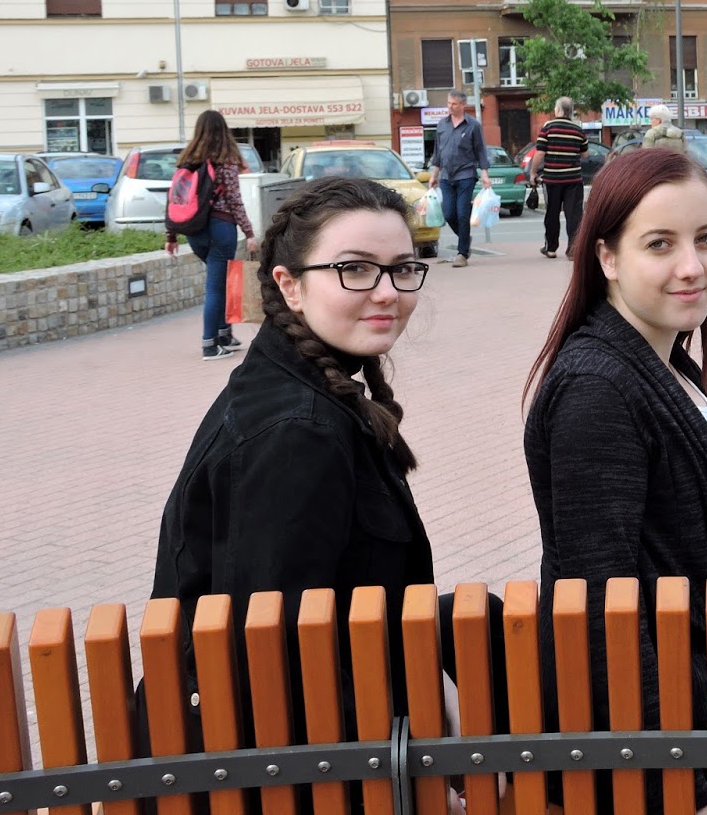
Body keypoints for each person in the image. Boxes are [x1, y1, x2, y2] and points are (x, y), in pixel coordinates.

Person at [151, 178, 500, 762]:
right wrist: (402, 771)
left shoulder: (301, 388)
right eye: (354, 269)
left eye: (401, 268)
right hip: (277, 772)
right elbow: (273, 661)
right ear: (289, 285)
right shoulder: (296, 434)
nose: (387, 292)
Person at [523, 149, 707, 812]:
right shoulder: (597, 389)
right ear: (606, 257)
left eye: (706, 238)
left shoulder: (662, 361)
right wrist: (676, 779)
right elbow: (601, 604)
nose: (693, 266)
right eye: (660, 244)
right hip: (673, 715)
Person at [165, 110, 259, 360]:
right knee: (217, 287)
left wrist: (171, 236)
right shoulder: (225, 161)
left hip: (194, 231)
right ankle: (209, 344)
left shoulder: (188, 162)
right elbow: (234, 200)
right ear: (223, 131)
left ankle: (224, 334)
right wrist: (249, 232)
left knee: (221, 281)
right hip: (221, 228)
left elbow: (175, 198)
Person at [427, 89, 491, 268]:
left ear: (463, 105)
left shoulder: (473, 125)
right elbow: (438, 153)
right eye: (448, 103)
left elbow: (481, 151)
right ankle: (465, 238)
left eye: (454, 104)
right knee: (448, 214)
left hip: (466, 175)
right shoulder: (442, 124)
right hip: (446, 176)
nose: (450, 107)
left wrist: (484, 173)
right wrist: (434, 175)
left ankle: (462, 253)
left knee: (463, 214)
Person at [529, 96, 589, 259]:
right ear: (571, 111)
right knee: (574, 215)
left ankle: (551, 248)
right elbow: (585, 154)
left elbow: (540, 153)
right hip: (574, 180)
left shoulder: (548, 127)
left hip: (552, 179)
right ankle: (573, 249)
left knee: (552, 214)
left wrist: (533, 173)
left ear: (557, 110)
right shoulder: (578, 129)